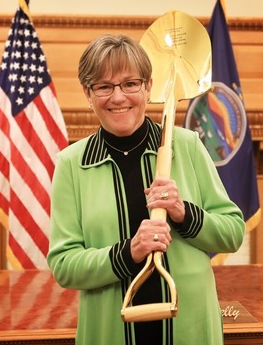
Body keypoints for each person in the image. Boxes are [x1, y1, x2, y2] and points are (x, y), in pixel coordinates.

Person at [47, 34, 245, 345]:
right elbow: (64, 266)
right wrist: (130, 252)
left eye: (130, 84)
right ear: (88, 93)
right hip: (111, 329)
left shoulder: (188, 146)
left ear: (148, 87)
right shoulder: (72, 164)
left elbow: (233, 233)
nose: (118, 97)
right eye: (104, 86)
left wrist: (184, 213)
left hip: (188, 327)